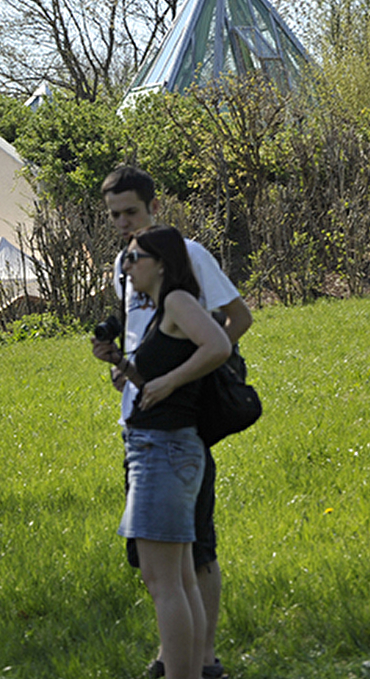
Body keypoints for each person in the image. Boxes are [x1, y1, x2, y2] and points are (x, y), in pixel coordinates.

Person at [91, 166, 251, 679]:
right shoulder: (127, 265)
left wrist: (184, 380)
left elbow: (233, 324)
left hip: (175, 431)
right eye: (114, 215)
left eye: (131, 213)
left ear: (154, 208)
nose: (122, 225)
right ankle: (173, 657)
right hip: (142, 424)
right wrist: (127, 369)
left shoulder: (186, 256)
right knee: (165, 565)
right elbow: (153, 343)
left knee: (193, 552)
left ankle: (201, 662)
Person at [114, 225, 232, 679]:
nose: (127, 267)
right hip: (163, 449)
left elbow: (220, 344)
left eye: (134, 257)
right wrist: (126, 367)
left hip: (163, 452)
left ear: (160, 262)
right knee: (179, 581)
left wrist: (168, 380)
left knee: (163, 583)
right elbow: (162, 381)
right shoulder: (165, 309)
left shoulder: (180, 300)